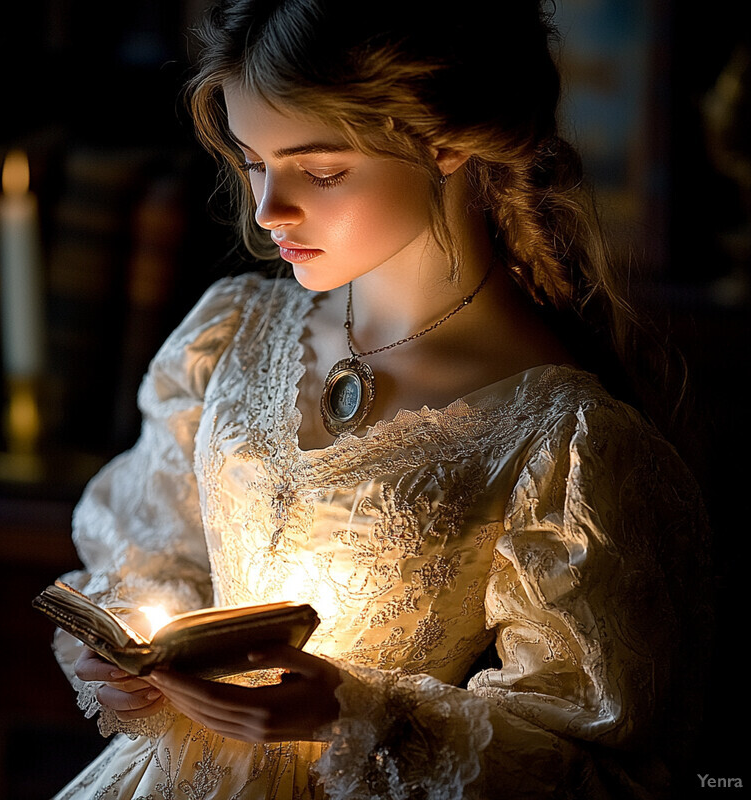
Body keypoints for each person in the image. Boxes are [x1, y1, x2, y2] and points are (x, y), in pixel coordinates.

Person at [49, 1, 710, 798]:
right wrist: (131, 653)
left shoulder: (565, 441)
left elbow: (600, 763)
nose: (268, 211)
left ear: (449, 139)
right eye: (255, 163)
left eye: (321, 171)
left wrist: (353, 718)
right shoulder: (230, 333)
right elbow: (153, 544)